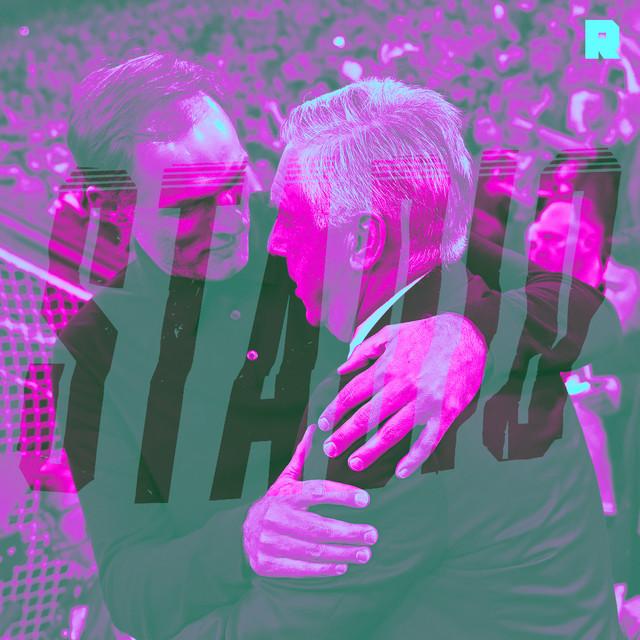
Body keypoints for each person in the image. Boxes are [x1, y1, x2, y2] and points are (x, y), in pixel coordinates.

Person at [54, 53, 494, 640]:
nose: (232, 221)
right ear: (109, 207)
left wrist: (466, 332)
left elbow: (570, 303)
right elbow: (133, 590)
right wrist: (242, 540)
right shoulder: (91, 352)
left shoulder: (315, 217)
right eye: (187, 208)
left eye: (235, 181)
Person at [171, 80, 622, 638]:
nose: (275, 241)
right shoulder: (482, 301)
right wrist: (472, 332)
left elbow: (279, 626)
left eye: (289, 216)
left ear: (364, 239)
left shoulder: (385, 403)